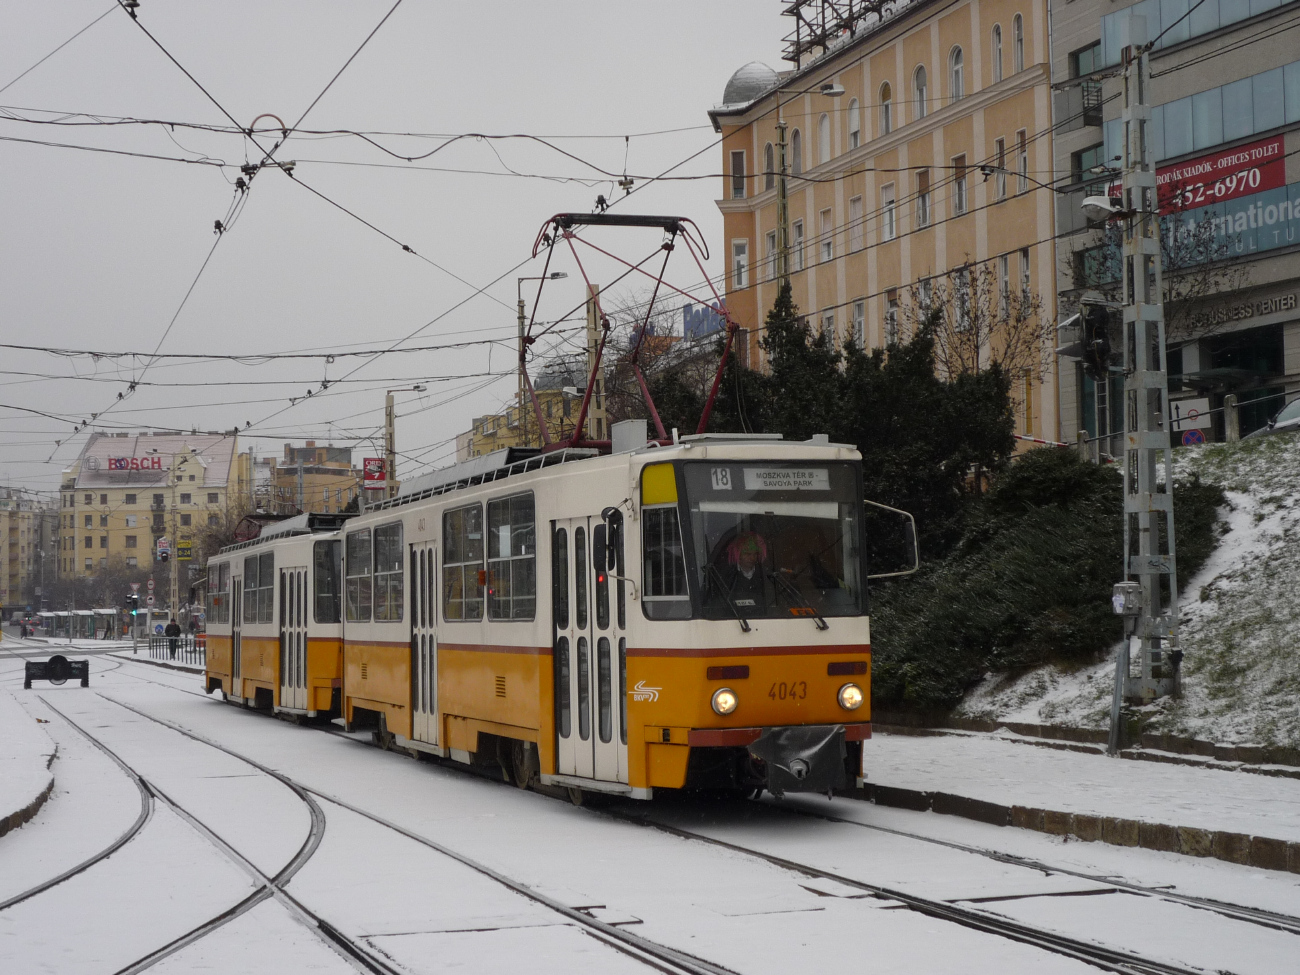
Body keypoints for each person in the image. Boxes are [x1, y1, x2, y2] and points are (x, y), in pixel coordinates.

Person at [714, 531, 774, 612]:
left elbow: (771, 604)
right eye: (747, 554)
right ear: (738, 554)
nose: (752, 558)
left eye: (755, 554)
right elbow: (719, 606)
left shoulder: (767, 576)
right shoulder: (726, 576)